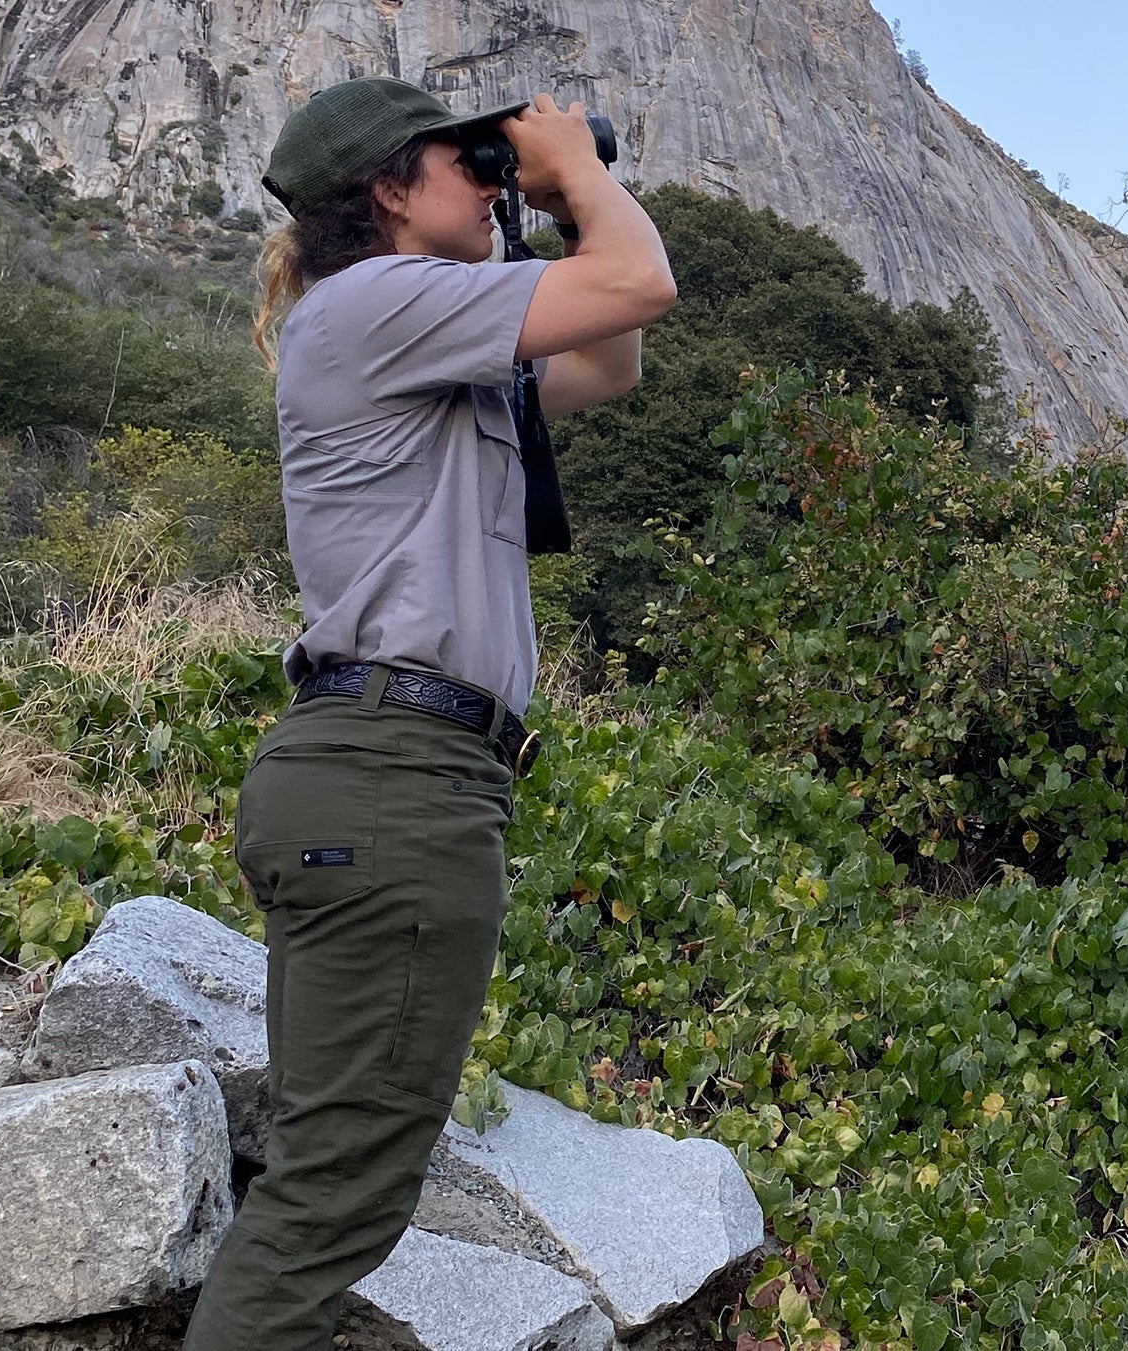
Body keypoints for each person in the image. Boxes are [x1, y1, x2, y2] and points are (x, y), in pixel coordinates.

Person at [181, 76, 675, 1350]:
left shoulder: (429, 352)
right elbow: (640, 287)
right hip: (396, 775)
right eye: (464, 161)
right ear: (389, 189)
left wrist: (557, 198)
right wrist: (573, 170)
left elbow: (610, 360)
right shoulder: (372, 305)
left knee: (323, 1181)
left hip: (386, 775)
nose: (487, 176)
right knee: (335, 1203)